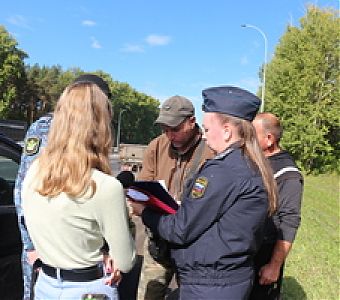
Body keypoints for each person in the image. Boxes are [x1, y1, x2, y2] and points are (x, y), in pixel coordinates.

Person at [130, 86, 278, 300]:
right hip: (224, 277)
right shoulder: (250, 163)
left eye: (208, 130)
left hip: (210, 282)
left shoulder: (224, 168)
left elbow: (181, 228)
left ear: (227, 130)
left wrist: (145, 213)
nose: (207, 137)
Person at [21, 80, 135, 299]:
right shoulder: (106, 186)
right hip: (89, 290)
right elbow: (125, 261)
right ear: (101, 125)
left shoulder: (34, 171)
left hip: (44, 285)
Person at [136, 95, 214, 300]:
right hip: (158, 239)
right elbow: (144, 186)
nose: (170, 135)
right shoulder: (156, 146)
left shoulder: (212, 149)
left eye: (175, 129)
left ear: (192, 121)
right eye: (165, 129)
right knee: (148, 295)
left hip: (193, 246)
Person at [250, 112, 303, 300]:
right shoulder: (256, 160)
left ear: (269, 138)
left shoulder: (288, 175)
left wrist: (273, 266)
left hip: (264, 254)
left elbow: (289, 222)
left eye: (252, 134)